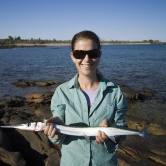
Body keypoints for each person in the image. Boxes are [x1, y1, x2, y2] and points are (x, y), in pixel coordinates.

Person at [44, 30, 128, 166]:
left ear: (99, 55)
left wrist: (113, 134)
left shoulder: (115, 91)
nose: (87, 59)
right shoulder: (61, 92)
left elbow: (122, 130)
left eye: (92, 53)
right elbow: (57, 139)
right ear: (72, 56)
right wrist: (55, 132)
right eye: (79, 54)